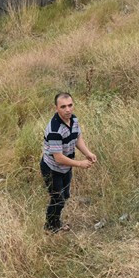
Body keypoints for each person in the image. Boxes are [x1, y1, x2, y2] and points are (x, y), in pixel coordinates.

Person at [40, 92, 98, 233]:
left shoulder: (74, 120)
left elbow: (77, 138)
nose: (68, 110)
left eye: (70, 105)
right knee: (57, 198)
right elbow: (58, 157)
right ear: (56, 108)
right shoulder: (55, 129)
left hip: (65, 167)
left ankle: (55, 223)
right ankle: (50, 226)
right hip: (52, 168)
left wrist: (88, 153)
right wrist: (80, 163)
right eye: (63, 107)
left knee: (65, 196)